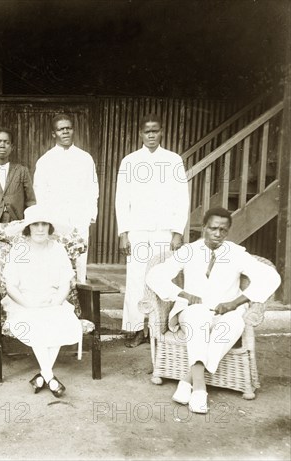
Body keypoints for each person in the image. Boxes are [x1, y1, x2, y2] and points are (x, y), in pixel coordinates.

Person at [146, 207, 280, 414]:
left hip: (226, 312)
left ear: (228, 231)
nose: (217, 234)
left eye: (223, 230)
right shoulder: (189, 250)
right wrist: (183, 295)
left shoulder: (236, 253)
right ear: (204, 228)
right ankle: (200, 390)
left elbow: (271, 277)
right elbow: (155, 275)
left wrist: (235, 302)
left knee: (235, 323)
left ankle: (187, 380)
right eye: (213, 229)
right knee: (199, 318)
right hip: (193, 310)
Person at [115, 113, 189, 347]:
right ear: (140, 134)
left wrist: (177, 231)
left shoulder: (173, 160)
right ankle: (136, 329)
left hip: (163, 231)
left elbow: (181, 198)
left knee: (162, 278)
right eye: (147, 131)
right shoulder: (130, 161)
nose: (151, 135)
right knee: (136, 279)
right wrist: (123, 232)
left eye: (155, 131)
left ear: (161, 132)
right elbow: (121, 199)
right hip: (137, 230)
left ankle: (160, 328)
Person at [1, 205, 82, 397]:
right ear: (28, 228)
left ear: (49, 227)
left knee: (59, 321)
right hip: (23, 302)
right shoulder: (19, 251)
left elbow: (65, 283)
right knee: (35, 322)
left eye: (44, 224)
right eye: (35, 224)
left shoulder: (58, 249)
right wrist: (29, 305)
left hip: (53, 300)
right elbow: (10, 286)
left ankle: (44, 376)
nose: (39, 228)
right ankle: (49, 376)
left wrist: (55, 302)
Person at [33, 113, 99, 283]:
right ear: (54, 133)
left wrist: (90, 214)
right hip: (56, 219)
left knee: (80, 259)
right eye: (61, 129)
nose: (65, 132)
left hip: (79, 217)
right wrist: (47, 218)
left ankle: (81, 298)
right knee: (56, 259)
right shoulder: (45, 160)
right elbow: (40, 191)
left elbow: (93, 188)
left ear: (73, 130)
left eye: (68, 128)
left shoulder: (85, 158)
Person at [0, 129, 36, 283]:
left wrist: (29, 226)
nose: (2, 145)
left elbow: (31, 201)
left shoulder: (22, 171)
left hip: (15, 224)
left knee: (15, 271)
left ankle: (13, 306)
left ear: (12, 146)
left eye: (6, 142)